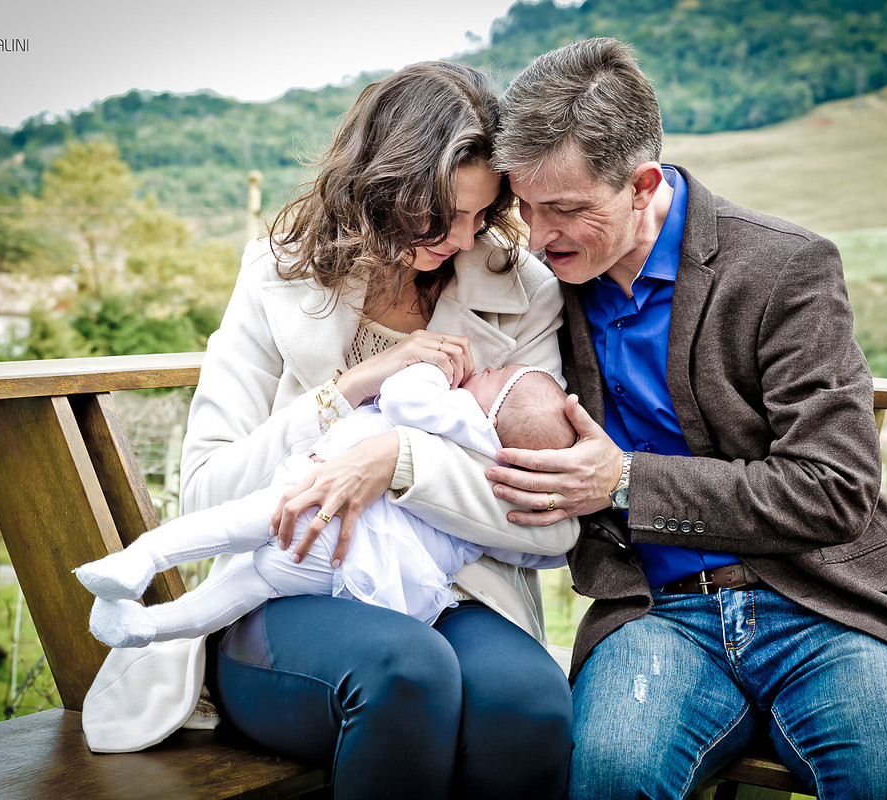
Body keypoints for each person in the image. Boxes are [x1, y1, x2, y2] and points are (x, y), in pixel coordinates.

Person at [482, 38, 887, 799]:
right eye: (522, 206)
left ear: (642, 185)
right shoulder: (536, 285)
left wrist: (624, 481)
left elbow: (833, 489)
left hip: (826, 605)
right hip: (656, 615)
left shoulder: (785, 267)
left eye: (564, 209)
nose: (537, 235)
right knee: (611, 775)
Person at [80, 61, 577, 800]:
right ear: (384, 184)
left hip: (449, 587)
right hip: (282, 590)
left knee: (530, 709)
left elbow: (549, 517)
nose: (462, 238)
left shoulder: (523, 292)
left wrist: (398, 459)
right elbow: (208, 491)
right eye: (441, 215)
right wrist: (350, 390)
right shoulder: (277, 274)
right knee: (406, 674)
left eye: (481, 215)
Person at [76, 361, 574, 645]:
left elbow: (402, 395)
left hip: (309, 503)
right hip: (355, 573)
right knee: (244, 589)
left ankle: (140, 561)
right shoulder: (495, 477)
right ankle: (149, 626)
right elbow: (530, 548)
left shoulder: (462, 412)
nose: (487, 366)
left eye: (497, 373)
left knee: (229, 528)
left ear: (492, 410)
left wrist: (427, 368)